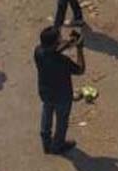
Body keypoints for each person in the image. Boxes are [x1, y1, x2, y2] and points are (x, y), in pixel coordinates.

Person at [34, 26, 85, 154]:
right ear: (54, 44)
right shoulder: (62, 61)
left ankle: (46, 141)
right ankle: (58, 145)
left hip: (45, 91)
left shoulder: (38, 51)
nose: (61, 40)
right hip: (62, 96)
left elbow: (53, 51)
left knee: (47, 112)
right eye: (59, 39)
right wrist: (79, 49)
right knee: (62, 121)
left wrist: (69, 44)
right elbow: (80, 69)